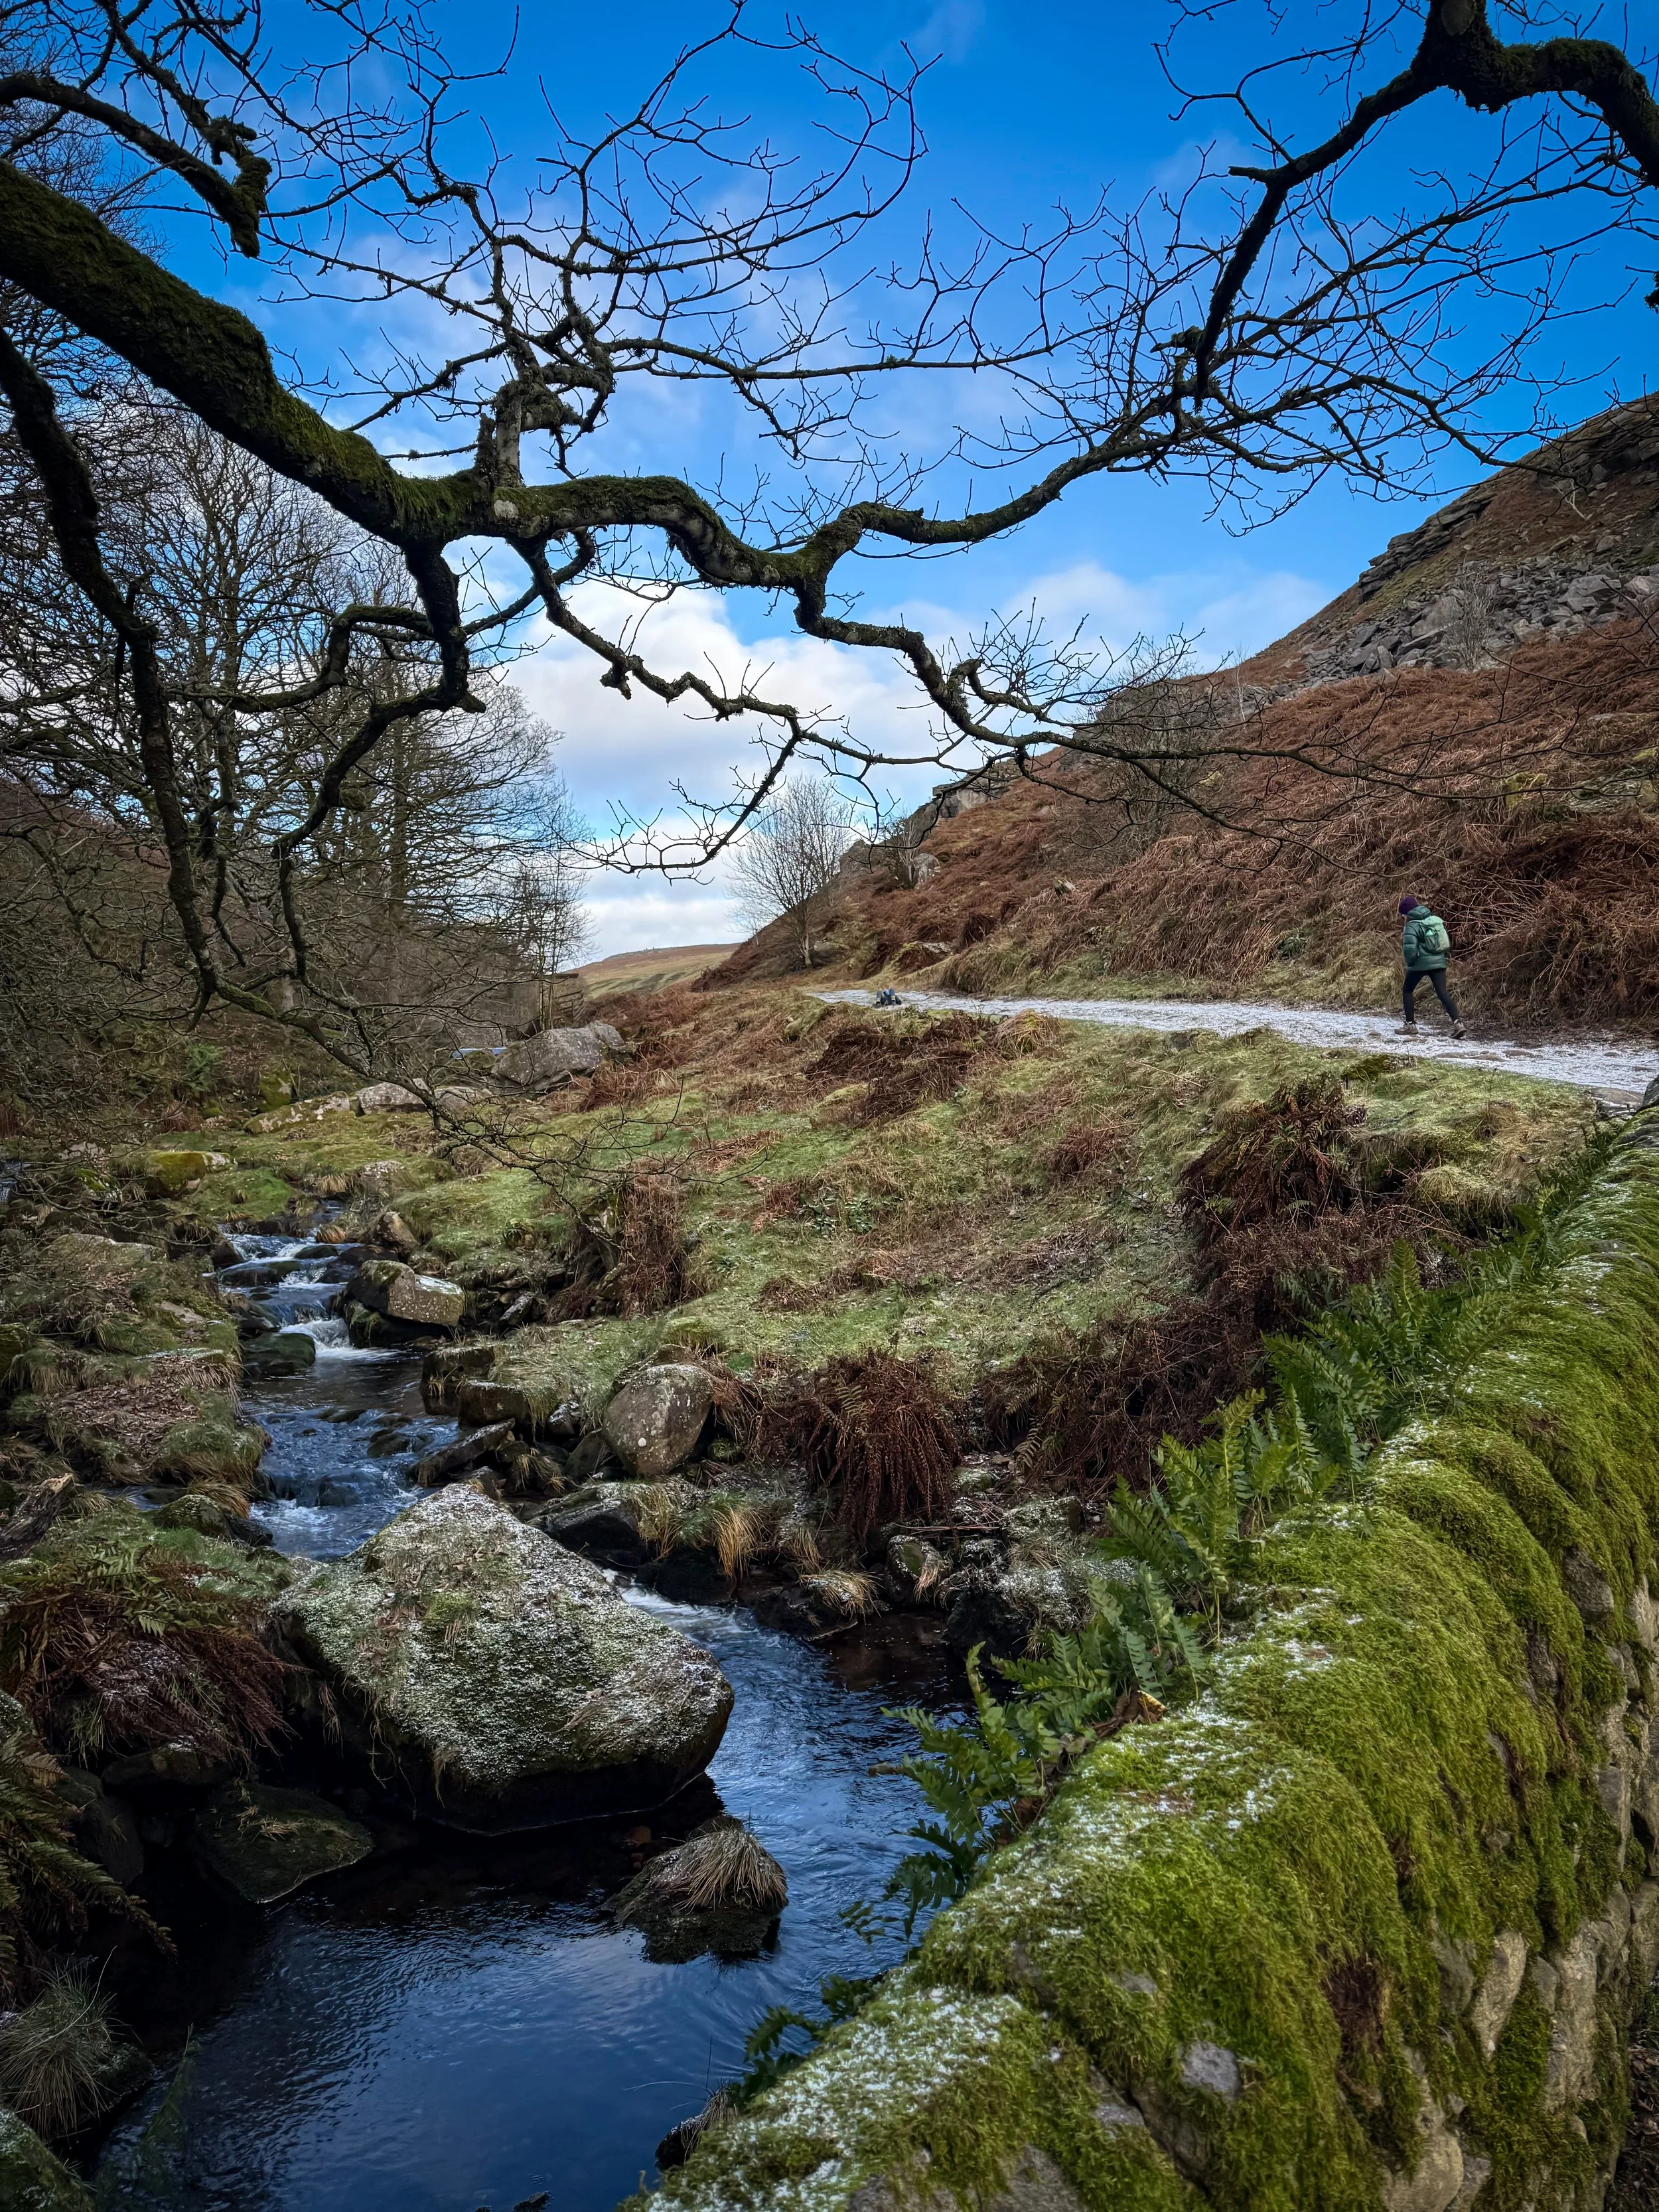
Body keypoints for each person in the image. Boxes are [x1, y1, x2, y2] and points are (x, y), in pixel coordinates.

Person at [1397, 893, 1465, 1038]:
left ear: (1406, 913)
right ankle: (1458, 1024)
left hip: (1420, 964)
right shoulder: (1432, 920)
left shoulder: (1412, 925)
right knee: (1442, 993)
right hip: (1439, 962)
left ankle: (1410, 1025)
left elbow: (1410, 949)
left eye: (1402, 915)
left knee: (1407, 991)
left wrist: (1410, 963)